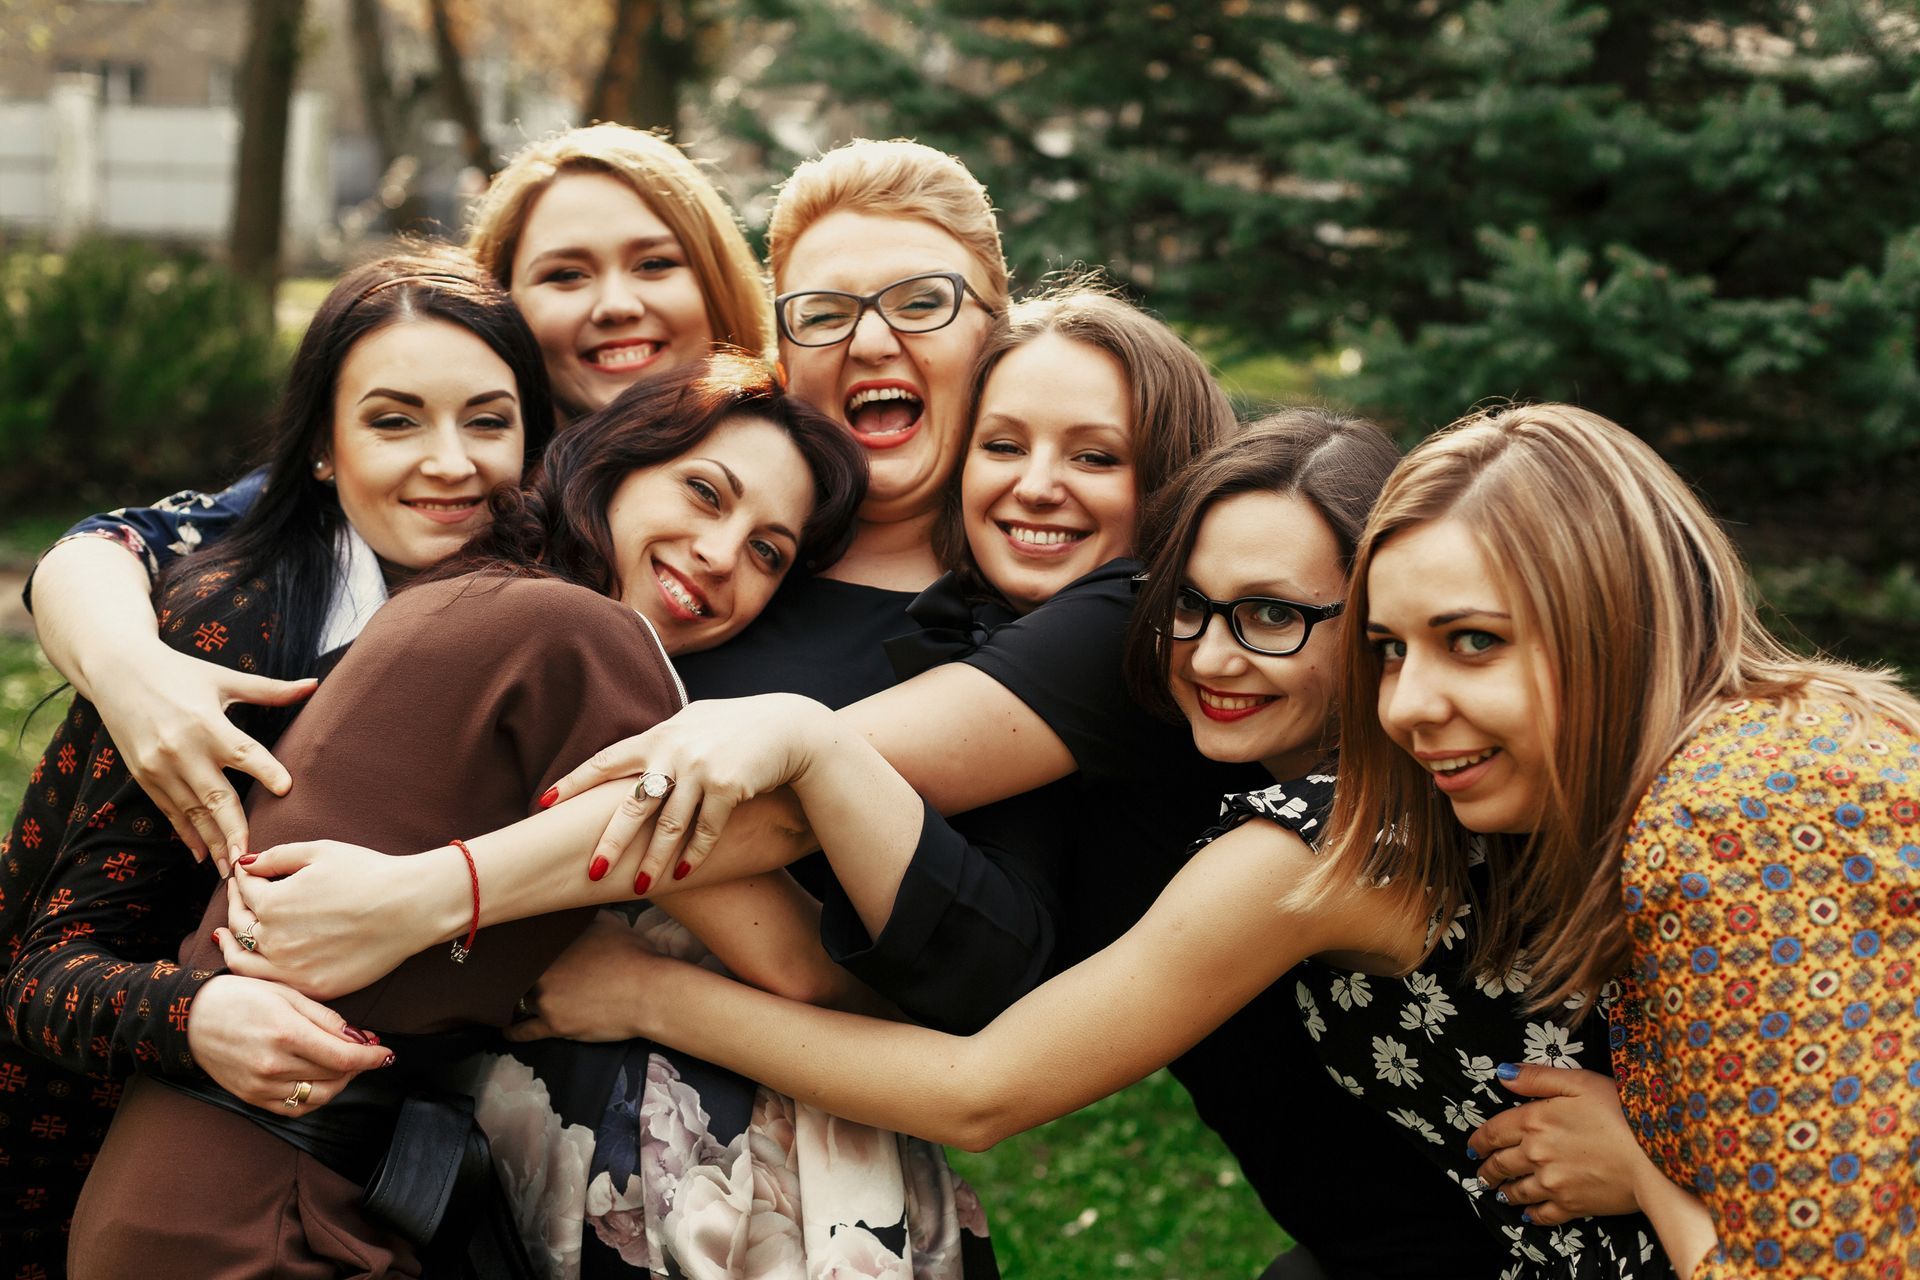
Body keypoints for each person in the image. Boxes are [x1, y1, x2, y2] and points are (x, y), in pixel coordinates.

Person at [228, 408, 1513, 1277]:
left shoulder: (1311, 843)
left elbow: (980, 1089)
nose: (1217, 654)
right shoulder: (1246, 734)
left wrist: (630, 982)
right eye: (1193, 605)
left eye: (1276, 616)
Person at [60, 353, 865, 1279]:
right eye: (704, 493)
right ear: (613, 464)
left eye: (768, 551)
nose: (721, 554)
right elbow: (802, 972)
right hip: (262, 1214)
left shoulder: (469, 592)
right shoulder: (589, 644)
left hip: (205, 1189)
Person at [0, 251, 557, 1277]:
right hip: (82, 1168)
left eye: (488, 422)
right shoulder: (229, 623)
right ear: (321, 452)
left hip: (354, 1176)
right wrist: (198, 1014)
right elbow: (42, 974)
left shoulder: (534, 608)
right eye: (394, 422)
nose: (451, 463)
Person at [21, 123, 768, 868]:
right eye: (565, 275)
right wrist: (131, 672)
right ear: (502, 310)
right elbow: (115, 544)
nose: (615, 303)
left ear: (714, 278)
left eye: (655, 264)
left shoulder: (791, 470)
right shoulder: (458, 486)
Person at [1321, 403, 1919, 1278]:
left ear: (1615, 626)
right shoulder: (1766, 753)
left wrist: (1641, 1173)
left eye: (1474, 640)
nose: (1406, 705)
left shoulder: (1733, 821)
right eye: (1390, 650)